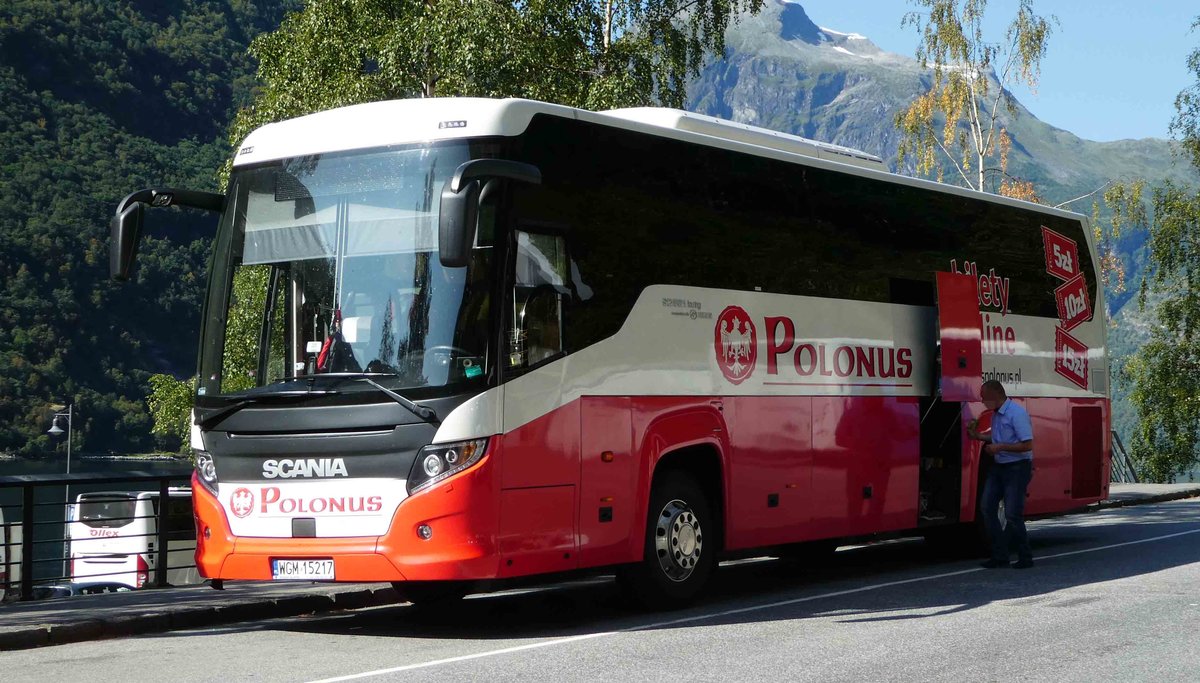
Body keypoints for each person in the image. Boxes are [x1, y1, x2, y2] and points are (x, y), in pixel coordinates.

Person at [967, 380, 1035, 569]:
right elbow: (997, 436)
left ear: (996, 395)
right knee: (987, 507)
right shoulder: (996, 414)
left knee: (1012, 513)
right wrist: (979, 437)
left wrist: (1000, 447)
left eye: (984, 397)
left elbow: (1027, 445)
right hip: (1000, 466)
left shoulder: (1016, 413)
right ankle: (1000, 554)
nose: (982, 401)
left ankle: (1025, 556)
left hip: (1017, 467)